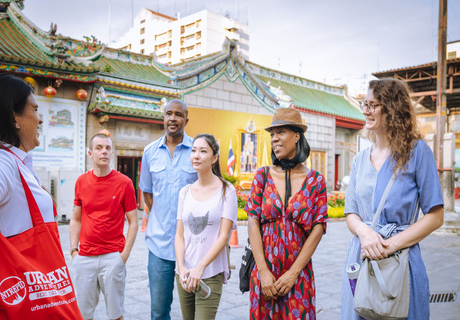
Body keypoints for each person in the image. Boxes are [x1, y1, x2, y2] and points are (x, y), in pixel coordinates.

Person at [340, 79, 444, 320]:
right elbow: (351, 213)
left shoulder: (418, 152)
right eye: (364, 104)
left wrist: (390, 245)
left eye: (372, 105)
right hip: (362, 254)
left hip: (400, 258)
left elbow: (436, 216)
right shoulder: (359, 158)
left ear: (392, 108)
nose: (365, 110)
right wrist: (366, 235)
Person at [0, 73, 82, 318]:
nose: (40, 118)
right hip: (22, 300)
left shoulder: (16, 162)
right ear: (14, 117)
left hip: (42, 292)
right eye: (35, 109)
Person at [246, 108, 328, 320]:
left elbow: (318, 228)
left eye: (281, 132)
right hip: (266, 277)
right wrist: (263, 271)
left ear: (297, 135)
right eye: (272, 134)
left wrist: (293, 274)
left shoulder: (316, 181)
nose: (275, 139)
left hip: (298, 276)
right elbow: (252, 222)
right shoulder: (262, 176)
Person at [69, 132, 138, 320]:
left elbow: (133, 222)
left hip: (112, 257)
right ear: (90, 154)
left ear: (112, 152)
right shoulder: (81, 182)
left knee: (116, 315)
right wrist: (74, 252)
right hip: (84, 258)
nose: (104, 151)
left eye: (108, 148)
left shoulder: (125, 183)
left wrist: (124, 255)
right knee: (83, 315)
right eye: (99, 148)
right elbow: (75, 219)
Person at [139, 99, 198, 319]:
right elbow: (147, 191)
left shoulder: (197, 150)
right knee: (159, 311)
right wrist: (163, 216)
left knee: (191, 312)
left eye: (178, 114)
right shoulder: (149, 152)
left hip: (192, 246)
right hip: (160, 246)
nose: (173, 118)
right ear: (163, 118)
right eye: (168, 114)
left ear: (186, 120)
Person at [174, 134, 237, 319]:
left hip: (209, 272)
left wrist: (200, 267)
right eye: (193, 150)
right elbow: (179, 235)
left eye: (203, 151)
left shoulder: (227, 190)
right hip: (184, 274)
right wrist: (181, 268)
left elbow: (224, 236)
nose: (196, 155)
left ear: (214, 158)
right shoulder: (185, 192)